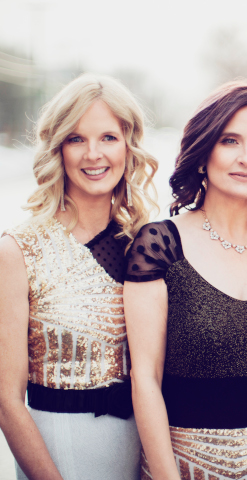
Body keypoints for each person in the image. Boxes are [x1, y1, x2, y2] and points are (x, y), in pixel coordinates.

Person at [124, 81, 247, 480]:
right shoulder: (160, 245)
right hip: (188, 465)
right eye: (231, 140)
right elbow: (145, 378)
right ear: (202, 152)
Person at [0, 73, 158, 480]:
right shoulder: (18, 249)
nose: (93, 154)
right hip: (59, 450)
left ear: (128, 146)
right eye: (76, 139)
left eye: (108, 137)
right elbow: (6, 400)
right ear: (59, 149)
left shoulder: (147, 245)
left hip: (144, 449)